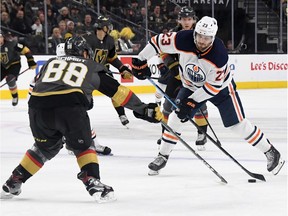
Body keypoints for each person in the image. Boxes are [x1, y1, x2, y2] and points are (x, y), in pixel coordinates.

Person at [0, 36, 163, 202]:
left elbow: (39, 85)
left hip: (37, 108)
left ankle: (14, 180)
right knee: (84, 146)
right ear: (85, 52)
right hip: (69, 108)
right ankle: (93, 181)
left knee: (44, 148)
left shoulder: (50, 63)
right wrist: (143, 110)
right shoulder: (90, 65)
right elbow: (117, 91)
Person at [131, 16, 285, 176]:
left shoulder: (219, 55)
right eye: (200, 36)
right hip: (190, 86)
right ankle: (162, 155)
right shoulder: (183, 38)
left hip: (221, 90)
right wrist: (141, 59)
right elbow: (157, 42)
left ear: (213, 37)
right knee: (176, 118)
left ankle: (271, 151)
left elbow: (212, 87)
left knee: (237, 125)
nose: (202, 41)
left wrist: (191, 103)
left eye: (207, 38)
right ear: (195, 33)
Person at [155, 6, 208, 152]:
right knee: (167, 106)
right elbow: (162, 52)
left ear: (194, 20)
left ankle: (202, 134)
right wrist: (173, 67)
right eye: (184, 19)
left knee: (199, 105)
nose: (186, 22)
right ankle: (165, 133)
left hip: (194, 76)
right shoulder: (173, 35)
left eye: (189, 19)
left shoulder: (201, 35)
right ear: (179, 20)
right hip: (177, 75)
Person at [84, 16, 133, 127]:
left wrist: (122, 68)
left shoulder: (110, 40)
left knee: (116, 92)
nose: (110, 28)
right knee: (86, 102)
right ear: (102, 27)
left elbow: (112, 58)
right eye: (108, 25)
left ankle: (122, 114)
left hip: (103, 72)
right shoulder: (88, 40)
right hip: (88, 73)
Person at [0, 31, 37, 106]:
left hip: (14, 64)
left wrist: (31, 61)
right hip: (2, 65)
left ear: (3, 37)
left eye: (0, 37)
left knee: (10, 79)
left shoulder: (12, 43)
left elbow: (26, 50)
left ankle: (15, 96)